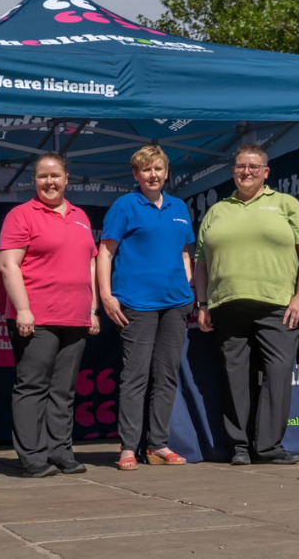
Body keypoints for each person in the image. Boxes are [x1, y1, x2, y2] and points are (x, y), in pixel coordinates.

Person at [195, 143, 299, 466]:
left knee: (277, 375)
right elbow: (200, 262)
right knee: (235, 378)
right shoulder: (217, 210)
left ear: (266, 172)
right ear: (233, 170)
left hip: (278, 306)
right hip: (227, 306)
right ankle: (239, 447)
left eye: (253, 167)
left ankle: (268, 447)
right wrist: (203, 302)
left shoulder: (286, 204)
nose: (245, 172)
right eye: (239, 166)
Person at [0, 152, 99, 478]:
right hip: (37, 317)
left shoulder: (81, 216)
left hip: (76, 316)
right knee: (32, 387)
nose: (49, 181)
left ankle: (61, 452)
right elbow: (7, 264)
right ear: (34, 180)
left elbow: (91, 263)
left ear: (67, 179)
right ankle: (33, 458)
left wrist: (93, 309)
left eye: (55, 175)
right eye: (43, 176)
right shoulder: (21, 215)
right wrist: (24, 310)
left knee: (63, 391)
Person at [97, 145, 194, 471]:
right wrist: (107, 296)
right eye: (145, 170)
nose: (152, 175)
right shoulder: (124, 206)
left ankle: (158, 445)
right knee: (135, 377)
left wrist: (189, 287)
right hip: (136, 304)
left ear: (166, 172)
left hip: (175, 304)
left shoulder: (179, 207)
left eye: (158, 169)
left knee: (166, 377)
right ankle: (128, 447)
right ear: (136, 175)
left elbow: (184, 253)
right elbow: (105, 253)